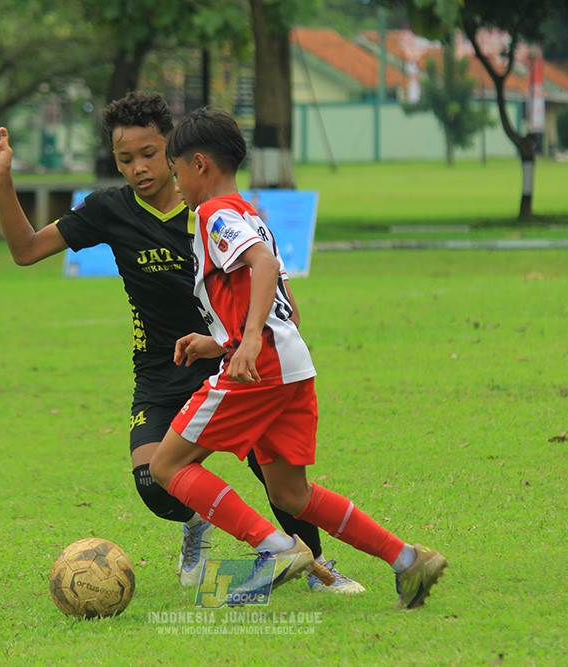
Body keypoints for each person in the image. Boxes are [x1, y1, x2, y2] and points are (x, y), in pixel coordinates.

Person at [0, 92, 363, 593]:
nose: (138, 168)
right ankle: (197, 523)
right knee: (154, 482)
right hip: (160, 370)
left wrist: (254, 343)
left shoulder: (211, 211)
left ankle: (319, 569)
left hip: (228, 361)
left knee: (277, 479)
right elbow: (26, 250)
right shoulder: (108, 210)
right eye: (124, 159)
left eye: (149, 154)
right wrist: (2, 180)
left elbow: (270, 275)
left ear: (176, 151)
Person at [148, 108, 447, 608]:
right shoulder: (251, 218)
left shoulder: (213, 214)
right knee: (291, 495)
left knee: (166, 465)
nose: (174, 183)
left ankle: (275, 548)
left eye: (175, 170)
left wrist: (244, 344)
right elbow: (285, 305)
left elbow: (262, 269)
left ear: (198, 164)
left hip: (258, 368)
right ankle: (407, 561)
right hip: (290, 365)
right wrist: (222, 339)